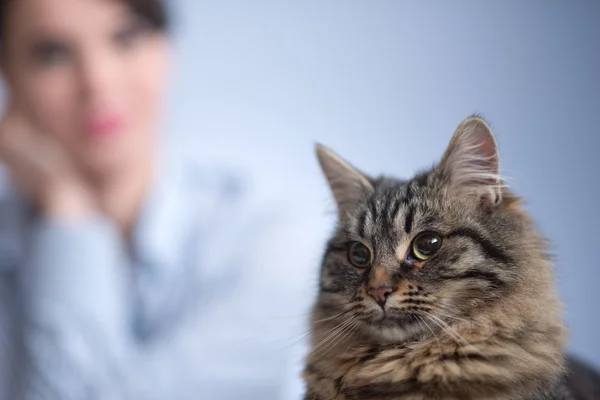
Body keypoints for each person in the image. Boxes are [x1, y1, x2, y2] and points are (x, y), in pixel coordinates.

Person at [0, 0, 320, 398]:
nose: (97, 80)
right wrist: (65, 205)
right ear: (8, 74)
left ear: (168, 48)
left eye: (125, 37)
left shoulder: (273, 249)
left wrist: (70, 217)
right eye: (53, 53)